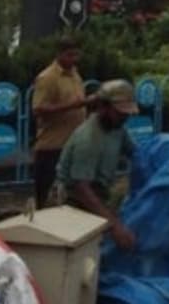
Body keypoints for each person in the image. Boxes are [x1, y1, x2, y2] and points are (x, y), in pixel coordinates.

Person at [55, 79, 140, 251]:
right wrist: (115, 226)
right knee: (81, 253)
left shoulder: (117, 129)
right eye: (120, 113)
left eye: (127, 113)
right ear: (103, 107)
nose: (125, 117)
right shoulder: (88, 139)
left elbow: (137, 153)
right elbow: (82, 189)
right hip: (75, 203)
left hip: (99, 194)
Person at [31, 37, 90, 207]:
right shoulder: (47, 77)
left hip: (73, 143)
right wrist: (73, 106)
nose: (73, 59)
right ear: (59, 54)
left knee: (68, 195)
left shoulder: (75, 74)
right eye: (69, 55)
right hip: (52, 145)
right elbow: (38, 109)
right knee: (46, 195)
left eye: (76, 55)